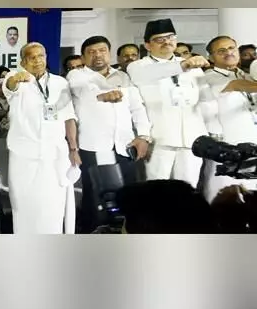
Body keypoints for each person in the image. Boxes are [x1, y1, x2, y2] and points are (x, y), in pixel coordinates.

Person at [67, 36, 152, 233]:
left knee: (128, 195)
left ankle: (127, 234)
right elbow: (83, 91)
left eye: (102, 50)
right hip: (95, 146)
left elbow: (137, 108)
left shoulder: (123, 77)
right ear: (83, 57)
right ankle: (94, 235)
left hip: (125, 145)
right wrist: (102, 95)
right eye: (91, 52)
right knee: (97, 199)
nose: (97, 55)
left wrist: (143, 136)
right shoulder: (77, 76)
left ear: (109, 53)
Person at [0, 42, 80, 234]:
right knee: (24, 208)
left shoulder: (60, 83)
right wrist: (15, 79)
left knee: (53, 209)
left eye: (41, 56)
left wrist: (73, 148)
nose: (37, 61)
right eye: (31, 57)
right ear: (23, 62)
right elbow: (7, 89)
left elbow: (69, 117)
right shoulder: (15, 78)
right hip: (24, 157)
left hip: (54, 155)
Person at [126, 19, 211, 187]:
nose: (167, 42)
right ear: (147, 45)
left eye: (171, 37)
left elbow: (205, 99)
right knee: (157, 190)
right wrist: (184, 65)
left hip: (191, 139)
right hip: (158, 140)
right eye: (159, 39)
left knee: (188, 189)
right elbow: (156, 72)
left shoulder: (193, 67)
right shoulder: (138, 66)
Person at [199, 35, 257, 202]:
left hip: (251, 143)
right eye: (221, 51)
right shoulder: (209, 76)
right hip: (226, 145)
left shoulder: (244, 75)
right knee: (223, 195)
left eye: (232, 48)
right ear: (211, 58)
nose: (228, 53)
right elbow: (235, 85)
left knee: (250, 195)